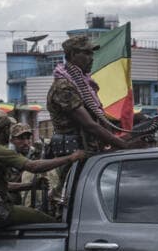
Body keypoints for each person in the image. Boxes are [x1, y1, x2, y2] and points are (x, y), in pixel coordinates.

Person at [45, 36, 152, 203]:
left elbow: (100, 120)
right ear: (73, 54)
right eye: (86, 53)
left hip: (88, 152)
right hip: (75, 156)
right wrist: (124, 145)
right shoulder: (64, 87)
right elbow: (89, 125)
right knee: (71, 200)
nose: (91, 58)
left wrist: (140, 122)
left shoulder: (83, 84)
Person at [0, 110, 86, 228]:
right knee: (49, 222)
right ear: (6, 131)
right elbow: (34, 166)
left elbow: (4, 185)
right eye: (20, 137)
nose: (26, 142)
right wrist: (71, 157)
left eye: (28, 138)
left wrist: (32, 185)